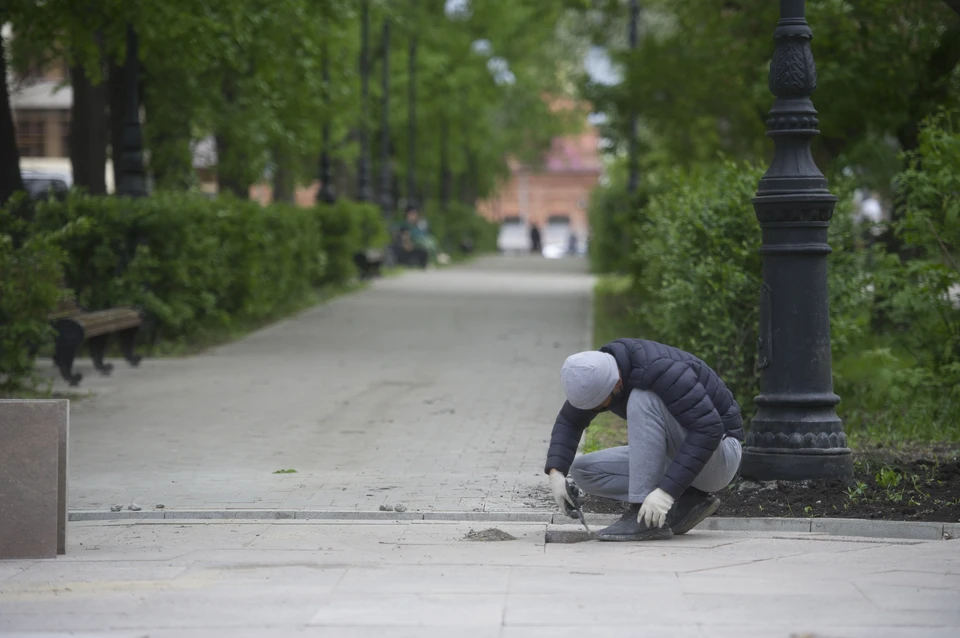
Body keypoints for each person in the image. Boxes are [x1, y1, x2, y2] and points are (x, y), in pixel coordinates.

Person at [545, 338, 744, 541]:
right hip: (681, 455)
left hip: (720, 457)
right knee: (583, 470)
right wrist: (556, 473)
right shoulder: (597, 372)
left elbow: (708, 429)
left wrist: (666, 492)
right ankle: (688, 500)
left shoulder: (663, 369)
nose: (596, 410)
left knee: (642, 399)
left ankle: (642, 518)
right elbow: (570, 421)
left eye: (599, 405)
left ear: (617, 384)